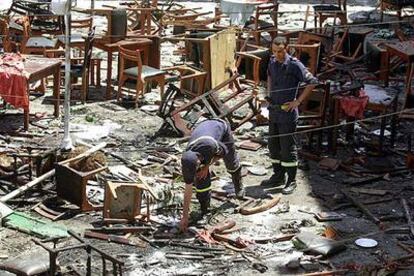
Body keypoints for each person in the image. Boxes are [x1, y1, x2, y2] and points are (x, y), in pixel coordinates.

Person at [261, 36, 318, 194]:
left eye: (280, 51)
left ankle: (291, 180)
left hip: (288, 114)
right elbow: (270, 75)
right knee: (273, 146)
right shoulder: (272, 61)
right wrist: (268, 93)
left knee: (287, 148)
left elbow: (313, 82)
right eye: (274, 51)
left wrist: (297, 102)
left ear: (287, 48)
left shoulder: (294, 65)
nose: (277, 54)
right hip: (274, 111)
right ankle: (278, 175)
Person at [180, 119, 244, 232]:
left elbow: (224, 151)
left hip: (220, 128)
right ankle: (205, 210)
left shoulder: (210, 146)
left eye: (197, 167)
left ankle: (238, 184)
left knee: (231, 163)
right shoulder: (188, 158)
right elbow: (188, 188)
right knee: (201, 179)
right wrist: (184, 217)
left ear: (199, 160)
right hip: (204, 133)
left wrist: (206, 166)